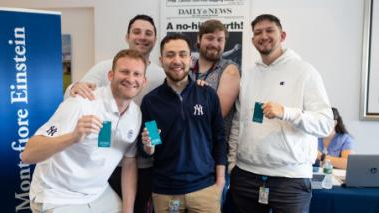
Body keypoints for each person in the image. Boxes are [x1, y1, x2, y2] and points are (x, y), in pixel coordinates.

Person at [229, 14, 334, 213]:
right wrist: (233, 164)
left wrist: (287, 112)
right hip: (246, 176)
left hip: (290, 179)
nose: (263, 36)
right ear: (252, 40)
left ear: (282, 35)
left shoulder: (305, 72)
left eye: (270, 30)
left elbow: (325, 124)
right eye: (258, 32)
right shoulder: (249, 75)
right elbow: (238, 122)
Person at [21, 49, 147, 213]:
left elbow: (129, 161)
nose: (131, 79)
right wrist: (73, 137)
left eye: (137, 74)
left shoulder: (135, 114)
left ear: (144, 81)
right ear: (110, 76)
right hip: (57, 196)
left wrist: (128, 210)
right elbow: (27, 155)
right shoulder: (82, 103)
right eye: (124, 72)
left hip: (97, 194)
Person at [65, 14, 165, 213]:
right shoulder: (106, 67)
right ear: (127, 36)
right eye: (137, 32)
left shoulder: (160, 75)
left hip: (144, 162)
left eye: (148, 33)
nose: (142, 37)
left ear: (154, 39)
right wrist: (74, 87)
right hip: (109, 160)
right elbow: (73, 93)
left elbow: (160, 112)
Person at [140, 33, 227, 213]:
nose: (176, 60)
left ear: (190, 58)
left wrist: (220, 182)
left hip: (205, 189)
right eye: (170, 55)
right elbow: (149, 149)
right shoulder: (151, 101)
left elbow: (219, 139)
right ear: (161, 59)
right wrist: (148, 146)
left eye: (182, 54)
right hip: (166, 192)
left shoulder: (207, 95)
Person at [188, 19, 240, 211]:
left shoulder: (229, 70)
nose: (215, 43)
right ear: (199, 39)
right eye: (210, 38)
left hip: (212, 162)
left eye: (220, 39)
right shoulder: (186, 67)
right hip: (182, 158)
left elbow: (215, 116)